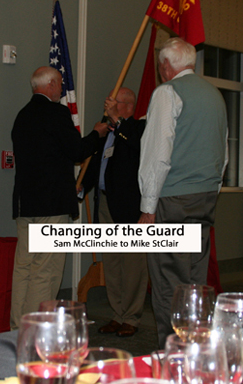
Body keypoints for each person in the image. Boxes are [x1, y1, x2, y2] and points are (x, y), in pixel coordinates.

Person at [138, 37, 228, 347]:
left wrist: (148, 208)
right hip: (205, 198)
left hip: (172, 200)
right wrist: (211, 190)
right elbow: (223, 153)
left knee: (168, 282)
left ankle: (173, 353)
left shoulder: (167, 92)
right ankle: (195, 349)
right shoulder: (215, 96)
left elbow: (157, 154)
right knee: (194, 281)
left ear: (166, 66)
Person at [10, 66, 108, 330]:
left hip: (25, 204)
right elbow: (77, 151)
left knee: (24, 268)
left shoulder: (22, 116)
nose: (62, 89)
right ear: (50, 84)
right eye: (60, 84)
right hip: (51, 204)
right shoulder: (56, 113)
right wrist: (96, 135)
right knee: (45, 270)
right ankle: (35, 330)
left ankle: (17, 329)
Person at [81, 87, 148, 338]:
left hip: (129, 206)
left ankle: (131, 317)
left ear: (127, 106)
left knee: (132, 266)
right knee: (111, 263)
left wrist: (118, 122)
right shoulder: (106, 131)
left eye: (114, 101)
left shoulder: (138, 129)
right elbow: (95, 166)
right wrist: (81, 186)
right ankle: (117, 314)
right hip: (105, 204)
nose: (108, 104)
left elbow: (137, 146)